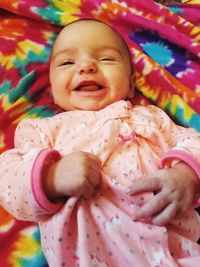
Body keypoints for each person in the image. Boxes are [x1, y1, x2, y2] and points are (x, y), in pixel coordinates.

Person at [0, 18, 200, 267]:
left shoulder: (152, 117)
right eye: (67, 62)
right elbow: (7, 178)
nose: (86, 66)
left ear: (130, 84)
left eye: (106, 59)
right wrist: (51, 177)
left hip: (179, 255)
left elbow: (194, 143)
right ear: (53, 88)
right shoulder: (42, 130)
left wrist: (186, 174)